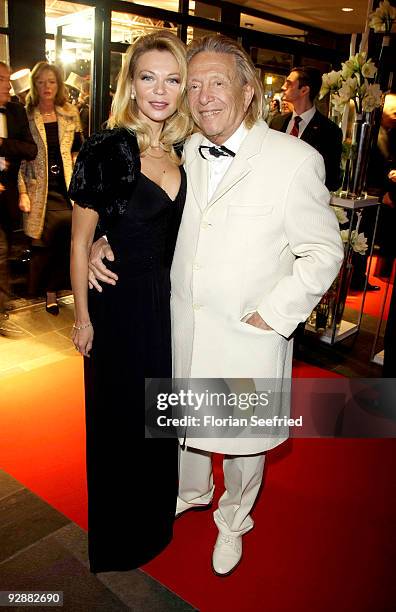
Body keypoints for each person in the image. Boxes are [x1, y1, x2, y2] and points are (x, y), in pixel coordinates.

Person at [88, 34, 344, 576]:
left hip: (249, 330)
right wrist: (100, 238)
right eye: (194, 83)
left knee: (244, 439)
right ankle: (194, 491)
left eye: (217, 83)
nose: (203, 96)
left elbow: (323, 251)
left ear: (248, 91)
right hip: (180, 321)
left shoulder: (294, 160)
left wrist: (274, 315)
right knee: (187, 421)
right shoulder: (186, 149)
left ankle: (234, 520)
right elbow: (144, 211)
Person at [68, 31, 192, 573]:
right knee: (119, 421)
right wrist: (81, 316)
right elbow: (78, 241)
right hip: (117, 308)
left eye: (171, 79)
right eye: (148, 77)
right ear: (130, 84)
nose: (160, 90)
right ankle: (119, 538)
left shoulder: (185, 149)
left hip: (165, 306)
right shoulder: (109, 147)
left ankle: (153, 524)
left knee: (157, 417)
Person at [18, 62, 83, 314]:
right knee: (43, 242)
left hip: (65, 186)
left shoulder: (69, 113)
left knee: (67, 236)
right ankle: (49, 292)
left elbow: (78, 150)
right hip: (39, 188)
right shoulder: (26, 114)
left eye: (52, 82)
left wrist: (80, 182)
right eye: (41, 82)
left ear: (59, 85)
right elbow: (21, 159)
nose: (47, 87)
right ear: (35, 85)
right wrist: (23, 191)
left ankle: (62, 287)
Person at [0, 62, 37, 337]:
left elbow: (31, 149)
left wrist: (2, 144)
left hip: (8, 197)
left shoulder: (15, 111)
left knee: (4, 250)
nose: (7, 85)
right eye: (2, 79)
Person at [271, 66, 343, 192]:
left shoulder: (330, 131)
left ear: (304, 90)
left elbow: (332, 180)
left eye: (289, 83)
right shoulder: (277, 123)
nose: (283, 87)